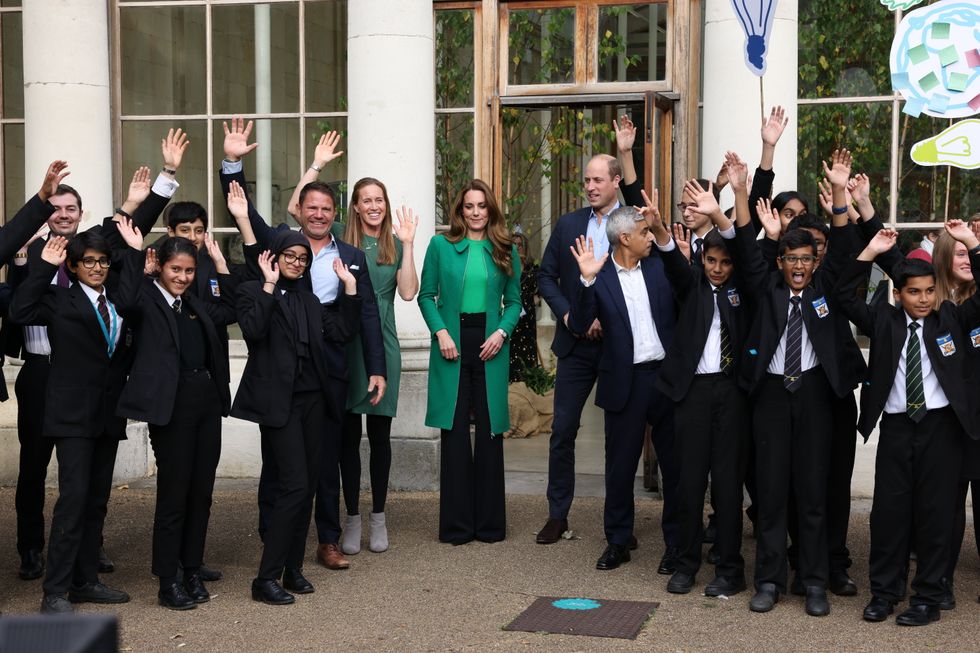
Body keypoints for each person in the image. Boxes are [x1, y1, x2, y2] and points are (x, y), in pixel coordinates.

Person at [10, 140, 184, 582]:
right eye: (57, 208)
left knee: (90, 481)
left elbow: (129, 234)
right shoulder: (30, 256)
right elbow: (20, 306)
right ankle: (33, 549)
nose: (64, 214)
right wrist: (36, 266)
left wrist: (158, 184)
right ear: (46, 214)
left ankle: (89, 554)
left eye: (71, 208)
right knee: (34, 468)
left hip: (95, 381)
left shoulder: (95, 255)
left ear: (81, 216)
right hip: (41, 373)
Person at [219, 119, 386, 572]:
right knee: (280, 462)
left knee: (325, 459)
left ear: (335, 214)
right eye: (310, 207)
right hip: (281, 370)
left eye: (325, 209)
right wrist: (232, 164)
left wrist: (377, 367)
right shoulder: (280, 245)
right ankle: (274, 537)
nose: (318, 214)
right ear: (300, 211)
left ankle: (327, 540)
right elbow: (242, 212)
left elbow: (366, 312)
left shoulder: (350, 256)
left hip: (330, 367)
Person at [731, 149, 857, 617]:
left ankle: (814, 582)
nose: (800, 266)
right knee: (770, 492)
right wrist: (743, 190)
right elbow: (747, 244)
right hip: (769, 398)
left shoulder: (826, 289)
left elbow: (843, 250)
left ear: (814, 262)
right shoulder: (766, 287)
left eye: (807, 259)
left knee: (812, 492)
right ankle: (768, 581)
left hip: (815, 398)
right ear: (780, 260)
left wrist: (840, 193)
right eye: (791, 258)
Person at [835, 225, 980, 626]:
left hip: (941, 429)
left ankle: (929, 597)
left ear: (938, 291)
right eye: (913, 292)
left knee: (935, 516)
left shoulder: (951, 317)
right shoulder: (883, 319)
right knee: (889, 514)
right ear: (898, 294)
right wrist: (869, 252)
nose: (922, 299)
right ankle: (884, 592)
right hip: (898, 428)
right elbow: (844, 296)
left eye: (929, 291)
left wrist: (971, 243)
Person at [113, 222, 239, 611]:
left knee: (201, 493)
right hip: (170, 408)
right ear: (160, 267)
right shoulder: (146, 300)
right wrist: (138, 258)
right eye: (175, 270)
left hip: (205, 402)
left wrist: (220, 265)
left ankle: (191, 569)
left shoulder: (196, 303)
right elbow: (124, 302)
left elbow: (231, 310)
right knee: (174, 494)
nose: (183, 277)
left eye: (188, 270)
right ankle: (167, 580)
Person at [9, 230, 134, 615]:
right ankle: (56, 591)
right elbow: (18, 311)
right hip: (71, 415)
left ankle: (85, 581)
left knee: (96, 501)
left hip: (108, 413)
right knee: (73, 499)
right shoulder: (58, 298)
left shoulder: (116, 299)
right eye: (89, 262)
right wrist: (44, 265)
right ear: (74, 266)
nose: (97, 268)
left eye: (102, 261)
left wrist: (131, 248)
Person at [233, 231, 361, 605]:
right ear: (275, 257)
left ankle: (291, 567)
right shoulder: (254, 292)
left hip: (313, 403)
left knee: (305, 488)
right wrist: (269, 285)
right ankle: (265, 577)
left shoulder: (310, 300)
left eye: (303, 258)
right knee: (291, 485)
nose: (297, 262)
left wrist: (350, 289)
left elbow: (341, 331)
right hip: (279, 404)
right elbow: (254, 331)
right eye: (290, 255)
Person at [566, 204, 677, 572]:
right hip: (624, 382)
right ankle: (617, 541)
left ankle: (676, 545)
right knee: (619, 467)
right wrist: (584, 281)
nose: (650, 236)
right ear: (625, 238)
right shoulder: (599, 277)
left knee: (675, 467)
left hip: (665, 378)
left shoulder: (660, 267)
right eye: (645, 232)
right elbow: (580, 323)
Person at [656, 172, 752, 597]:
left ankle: (730, 568)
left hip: (732, 394)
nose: (717, 269)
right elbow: (674, 264)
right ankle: (686, 562)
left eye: (725, 263)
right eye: (711, 262)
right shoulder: (692, 284)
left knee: (728, 486)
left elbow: (749, 255)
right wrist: (660, 229)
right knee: (690, 483)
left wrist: (733, 200)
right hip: (692, 393)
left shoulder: (745, 290)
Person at [418, 179, 521, 545]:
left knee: (492, 433)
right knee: (455, 432)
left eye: (482, 206)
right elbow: (426, 296)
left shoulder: (505, 248)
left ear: (490, 210)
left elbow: (516, 302)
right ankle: (457, 527)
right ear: (459, 211)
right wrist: (441, 333)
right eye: (469, 207)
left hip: (491, 342)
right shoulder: (440, 246)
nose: (476, 213)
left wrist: (502, 333)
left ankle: (491, 527)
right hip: (452, 343)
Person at [536, 154, 630, 550]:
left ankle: (619, 525)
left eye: (597, 180)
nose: (590, 186)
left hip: (617, 345)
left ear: (616, 181)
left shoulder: (633, 223)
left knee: (618, 437)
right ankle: (558, 514)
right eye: (586, 180)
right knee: (563, 430)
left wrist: (608, 320)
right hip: (574, 344)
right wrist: (572, 314)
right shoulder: (568, 224)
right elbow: (546, 277)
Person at [338, 177, 419, 556]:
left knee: (380, 437)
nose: (373, 206)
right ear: (355, 206)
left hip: (383, 341)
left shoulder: (392, 243)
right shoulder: (340, 235)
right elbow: (296, 210)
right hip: (347, 340)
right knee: (348, 437)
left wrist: (407, 242)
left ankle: (379, 517)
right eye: (366, 200)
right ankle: (352, 518)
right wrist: (318, 164)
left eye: (379, 200)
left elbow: (407, 291)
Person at [932, 224, 980, 608]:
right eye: (960, 253)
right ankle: (939, 581)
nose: (967, 260)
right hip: (947, 422)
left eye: (971, 254)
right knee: (946, 509)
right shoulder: (931, 304)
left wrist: (975, 244)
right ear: (945, 259)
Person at [508, 232, 539, 382]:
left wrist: (533, 300)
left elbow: (541, 290)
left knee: (526, 356)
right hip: (509, 317)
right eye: (513, 244)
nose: (517, 248)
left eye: (520, 245)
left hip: (527, 320)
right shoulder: (505, 268)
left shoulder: (533, 269)